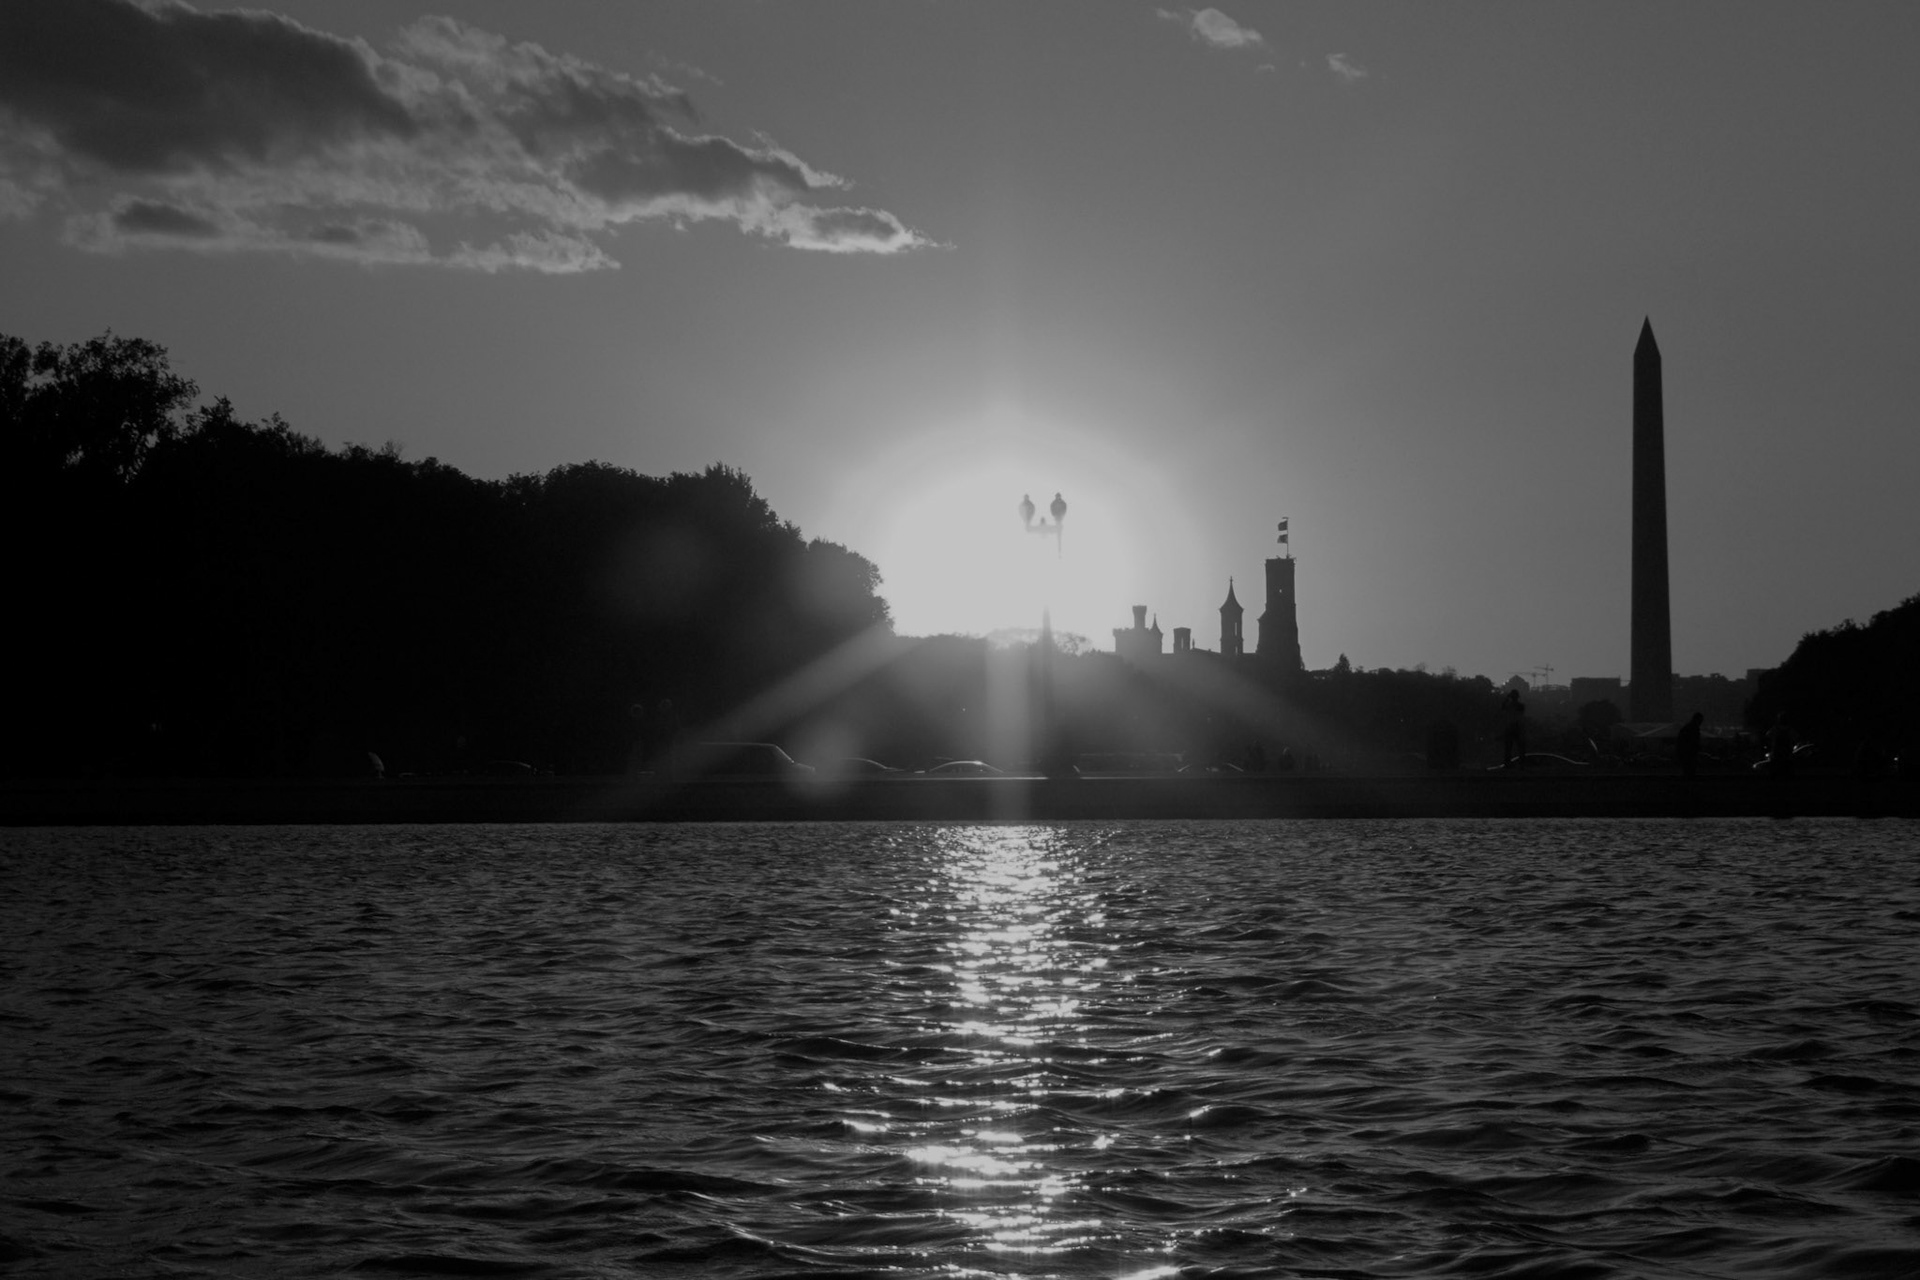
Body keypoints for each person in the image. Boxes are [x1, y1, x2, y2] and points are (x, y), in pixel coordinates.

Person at [1500, 689, 1527, 768]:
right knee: (1517, 747)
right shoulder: (1519, 705)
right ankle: (1519, 764)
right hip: (1515, 727)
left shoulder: (1511, 706)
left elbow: (1503, 707)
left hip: (1513, 727)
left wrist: (1507, 698)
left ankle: (1510, 763)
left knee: (1510, 747)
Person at [1676, 711, 1704, 779]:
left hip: (1686, 754)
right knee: (1690, 772)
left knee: (1687, 772)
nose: (1701, 723)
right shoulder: (1694, 729)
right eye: (1700, 721)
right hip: (1689, 754)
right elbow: (1693, 742)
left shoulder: (1688, 728)